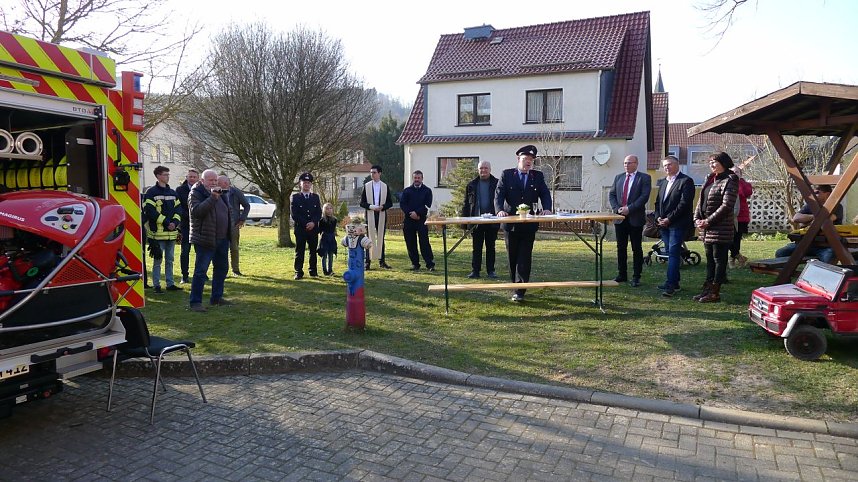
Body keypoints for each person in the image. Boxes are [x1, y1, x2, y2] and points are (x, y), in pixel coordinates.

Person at [495, 145, 553, 302]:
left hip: (528, 225)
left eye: (531, 160)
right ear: (518, 159)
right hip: (511, 225)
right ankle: (514, 285)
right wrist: (500, 210)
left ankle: (521, 290)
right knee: (512, 256)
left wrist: (547, 208)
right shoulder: (507, 174)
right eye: (526, 159)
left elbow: (545, 194)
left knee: (525, 256)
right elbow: (499, 195)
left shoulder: (537, 176)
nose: (529, 162)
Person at [693, 152, 739, 303]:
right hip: (707, 228)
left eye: (715, 162)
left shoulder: (730, 179)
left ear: (724, 163)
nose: (712, 164)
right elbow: (701, 201)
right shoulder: (709, 178)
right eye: (710, 162)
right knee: (710, 261)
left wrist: (709, 220)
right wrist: (697, 219)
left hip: (721, 228)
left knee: (719, 259)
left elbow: (727, 205)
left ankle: (715, 292)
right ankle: (706, 289)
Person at [188, 169, 233, 312]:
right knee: (201, 272)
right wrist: (212, 198)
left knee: (222, 268)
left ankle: (216, 297)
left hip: (222, 238)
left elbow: (226, 211)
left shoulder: (221, 193)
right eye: (210, 180)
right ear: (202, 181)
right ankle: (195, 302)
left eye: (215, 180)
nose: (214, 183)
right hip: (205, 239)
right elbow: (197, 212)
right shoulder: (196, 193)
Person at [654, 156, 695, 297]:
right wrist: (658, 217)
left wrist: (669, 219)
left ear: (677, 165)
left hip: (677, 224)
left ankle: (671, 285)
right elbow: (658, 202)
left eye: (669, 165)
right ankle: (674, 283)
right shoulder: (663, 182)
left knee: (673, 253)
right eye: (665, 166)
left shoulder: (686, 181)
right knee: (671, 253)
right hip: (663, 224)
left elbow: (684, 204)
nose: (667, 168)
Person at [608, 155, 651, 287]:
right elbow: (612, 194)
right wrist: (617, 209)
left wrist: (629, 209)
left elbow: (644, 196)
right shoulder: (619, 177)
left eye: (629, 163)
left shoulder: (644, 178)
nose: (626, 165)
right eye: (625, 163)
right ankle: (622, 274)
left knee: (636, 248)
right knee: (621, 247)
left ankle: (636, 276)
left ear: (636, 164)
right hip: (620, 219)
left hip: (635, 218)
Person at [775, 184, 843, 263]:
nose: (814, 195)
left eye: (817, 192)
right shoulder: (811, 205)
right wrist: (814, 217)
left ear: (827, 194)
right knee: (781, 253)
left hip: (826, 246)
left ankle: (820, 275)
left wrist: (806, 222)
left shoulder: (837, 206)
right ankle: (789, 274)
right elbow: (796, 218)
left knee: (829, 257)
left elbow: (827, 220)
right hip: (807, 244)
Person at [142, 166, 182, 294]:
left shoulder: (173, 193)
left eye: (168, 174)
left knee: (170, 260)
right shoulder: (151, 193)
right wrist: (166, 222)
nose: (167, 177)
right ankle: (156, 285)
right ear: (158, 176)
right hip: (158, 234)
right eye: (165, 174)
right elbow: (150, 211)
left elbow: (179, 209)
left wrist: (175, 223)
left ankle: (170, 284)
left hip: (171, 233)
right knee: (157, 260)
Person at [461, 160, 499, 279]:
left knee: (490, 247)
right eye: (481, 168)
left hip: (492, 221)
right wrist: (465, 223)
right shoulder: (471, 185)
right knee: (476, 248)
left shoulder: (497, 183)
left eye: (485, 168)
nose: (483, 170)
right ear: (478, 170)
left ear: (490, 169)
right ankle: (475, 271)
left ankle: (491, 271)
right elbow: (466, 204)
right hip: (476, 221)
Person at [359, 165, 393, 270]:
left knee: (381, 238)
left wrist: (383, 207)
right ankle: (367, 261)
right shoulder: (367, 186)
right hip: (370, 214)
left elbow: (390, 203)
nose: (372, 174)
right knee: (369, 238)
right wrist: (372, 207)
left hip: (381, 214)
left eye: (374, 172)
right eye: (371, 172)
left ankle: (382, 261)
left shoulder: (385, 186)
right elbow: (362, 203)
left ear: (379, 173)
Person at [400, 170, 435, 271]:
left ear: (422, 179)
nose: (417, 180)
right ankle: (415, 264)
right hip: (409, 220)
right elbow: (403, 204)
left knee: (424, 242)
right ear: (413, 178)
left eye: (419, 178)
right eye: (415, 178)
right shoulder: (407, 191)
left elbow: (427, 205)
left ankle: (430, 264)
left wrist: (418, 214)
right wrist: (411, 213)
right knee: (411, 243)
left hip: (421, 220)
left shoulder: (427, 191)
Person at [217, 175, 250, 276]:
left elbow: (246, 205)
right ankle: (223, 270)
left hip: (233, 224)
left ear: (226, 183)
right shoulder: (216, 192)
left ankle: (235, 269)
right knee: (222, 248)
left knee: (234, 247)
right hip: (220, 224)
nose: (217, 183)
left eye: (219, 182)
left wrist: (242, 219)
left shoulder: (235, 192)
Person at [291, 172, 322, 279]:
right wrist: (306, 223)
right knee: (300, 250)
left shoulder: (315, 197)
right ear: (300, 184)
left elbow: (318, 213)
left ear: (311, 185)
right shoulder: (295, 198)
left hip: (313, 229)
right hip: (301, 228)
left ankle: (313, 271)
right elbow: (294, 214)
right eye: (304, 182)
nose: (307, 184)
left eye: (309, 183)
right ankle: (298, 271)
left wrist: (313, 222)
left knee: (313, 251)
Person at [175, 168, 199, 284]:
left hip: (199, 225)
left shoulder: (201, 190)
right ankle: (184, 276)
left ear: (198, 178)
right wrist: (189, 216)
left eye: (194, 177)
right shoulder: (180, 190)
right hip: (185, 225)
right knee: (185, 251)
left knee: (200, 251)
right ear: (187, 177)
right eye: (190, 177)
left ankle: (200, 274)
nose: (192, 179)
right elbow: (178, 207)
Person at [729, 167, 753, 269]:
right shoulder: (727, 184)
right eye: (732, 172)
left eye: (737, 172)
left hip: (741, 216)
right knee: (729, 238)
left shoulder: (744, 185)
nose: (735, 173)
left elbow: (746, 193)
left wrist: (738, 182)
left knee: (737, 238)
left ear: (741, 174)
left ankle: (733, 258)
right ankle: (739, 257)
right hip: (729, 215)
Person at [318, 202, 338, 276]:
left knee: (331, 255)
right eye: (327, 209)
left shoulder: (334, 220)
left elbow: (333, 229)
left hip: (331, 238)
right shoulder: (322, 220)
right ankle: (325, 271)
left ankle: (330, 270)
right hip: (324, 238)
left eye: (330, 208)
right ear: (324, 210)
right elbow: (319, 230)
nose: (329, 210)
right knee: (324, 255)